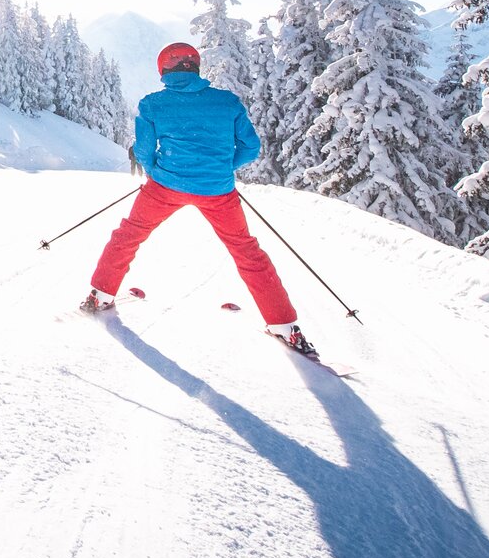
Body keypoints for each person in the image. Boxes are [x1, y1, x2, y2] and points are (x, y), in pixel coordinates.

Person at [81, 42, 318, 359]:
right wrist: (218, 169)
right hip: (218, 191)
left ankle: (100, 295)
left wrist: (158, 172)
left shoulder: (153, 104)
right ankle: (284, 326)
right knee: (247, 252)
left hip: (165, 187)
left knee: (129, 234)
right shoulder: (227, 102)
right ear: (196, 68)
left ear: (163, 70)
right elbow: (250, 148)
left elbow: (143, 152)